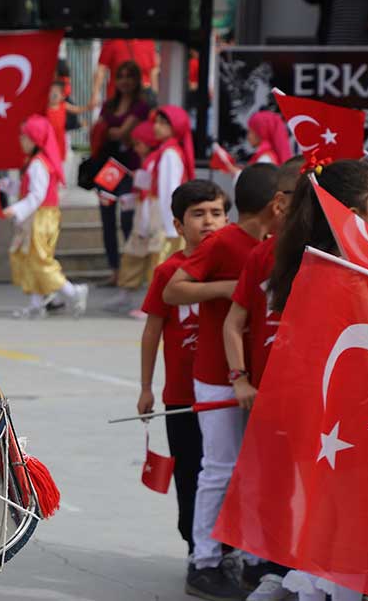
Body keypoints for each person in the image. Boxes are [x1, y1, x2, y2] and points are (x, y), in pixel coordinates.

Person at [162, 163, 281, 601]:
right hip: (216, 374)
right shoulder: (224, 243)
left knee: (253, 470)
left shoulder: (273, 246)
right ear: (278, 204)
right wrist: (232, 287)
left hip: (260, 374)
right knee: (218, 468)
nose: (209, 220)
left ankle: (250, 558)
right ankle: (205, 560)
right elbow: (174, 291)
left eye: (216, 211)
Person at [266, 158, 368, 601]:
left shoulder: (326, 265)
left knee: (332, 532)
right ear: (353, 211)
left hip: (335, 428)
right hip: (354, 428)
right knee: (349, 540)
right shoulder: (350, 276)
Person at [219, 156, 302, 601]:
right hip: (266, 396)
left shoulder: (337, 258)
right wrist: (240, 378)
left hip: (316, 398)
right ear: (281, 203)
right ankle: (272, 568)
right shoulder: (263, 255)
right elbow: (234, 322)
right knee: (273, 484)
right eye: (299, 196)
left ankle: (310, 571)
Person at [137, 179, 229, 576]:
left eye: (217, 213)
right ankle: (196, 547)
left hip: (226, 392)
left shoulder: (241, 264)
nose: (209, 222)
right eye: (198, 215)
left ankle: (229, 546)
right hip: (181, 396)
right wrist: (145, 387)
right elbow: (152, 332)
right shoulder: (168, 273)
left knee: (226, 470)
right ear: (178, 224)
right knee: (191, 472)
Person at [110, 107, 195, 314]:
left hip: (165, 219)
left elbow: (170, 191)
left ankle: (157, 306)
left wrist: (170, 224)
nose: (156, 126)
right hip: (164, 218)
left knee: (162, 264)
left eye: (162, 123)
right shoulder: (167, 152)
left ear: (174, 127)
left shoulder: (168, 154)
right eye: (156, 122)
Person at [4, 115, 89, 319]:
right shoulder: (36, 162)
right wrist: (6, 186)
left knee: (39, 259)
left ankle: (72, 292)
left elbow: (36, 195)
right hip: (40, 215)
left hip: (40, 217)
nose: (21, 140)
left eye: (24, 137)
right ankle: (36, 303)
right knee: (31, 258)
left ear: (35, 139)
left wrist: (15, 209)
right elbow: (30, 189)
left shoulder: (37, 164)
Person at [93, 61, 151, 285]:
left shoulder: (140, 106)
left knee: (128, 220)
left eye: (130, 76)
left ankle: (130, 270)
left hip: (130, 170)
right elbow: (110, 131)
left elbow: (121, 132)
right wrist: (113, 132)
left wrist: (112, 131)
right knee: (106, 219)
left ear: (137, 80)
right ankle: (115, 270)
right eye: (121, 76)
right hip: (108, 169)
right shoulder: (109, 104)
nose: (125, 81)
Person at [90, 38, 159, 108]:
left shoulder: (148, 42)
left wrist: (154, 96)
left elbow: (153, 71)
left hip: (142, 97)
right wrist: (95, 94)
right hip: (118, 98)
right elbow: (101, 70)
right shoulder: (112, 42)